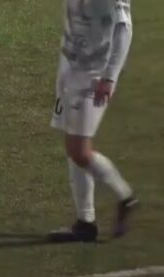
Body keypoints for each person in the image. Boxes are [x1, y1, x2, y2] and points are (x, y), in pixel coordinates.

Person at [49, 0, 138, 242]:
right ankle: (85, 221)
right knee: (73, 144)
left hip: (94, 76)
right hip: (69, 67)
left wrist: (110, 77)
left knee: (79, 150)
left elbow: (124, 28)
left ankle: (125, 197)